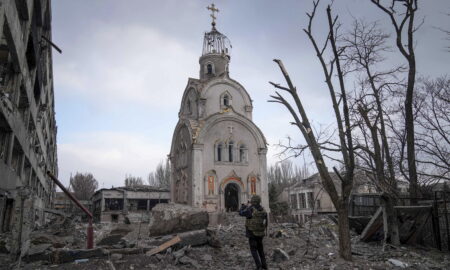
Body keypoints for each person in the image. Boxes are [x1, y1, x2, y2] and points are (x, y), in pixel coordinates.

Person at [239, 195, 268, 270]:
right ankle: (264, 266)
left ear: (253, 201)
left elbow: (241, 213)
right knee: (260, 250)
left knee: (253, 250)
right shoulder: (263, 210)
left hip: (252, 233)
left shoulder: (250, 209)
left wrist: (243, 206)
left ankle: (258, 266)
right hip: (260, 233)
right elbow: (266, 223)